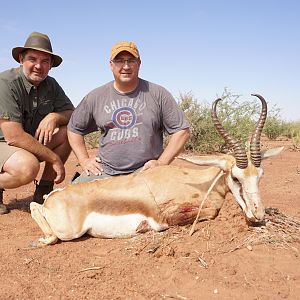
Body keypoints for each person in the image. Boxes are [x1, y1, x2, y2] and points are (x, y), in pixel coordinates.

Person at [67, 41, 190, 183]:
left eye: (131, 61)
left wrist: (161, 163)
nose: (126, 66)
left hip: (145, 172)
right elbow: (74, 129)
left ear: (139, 64)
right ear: (111, 65)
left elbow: (182, 131)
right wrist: (84, 160)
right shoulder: (95, 97)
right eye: (119, 61)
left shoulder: (158, 93)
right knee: (71, 197)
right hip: (105, 171)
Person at [0, 32, 74, 214]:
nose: (39, 66)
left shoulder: (51, 84)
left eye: (45, 61)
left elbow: (72, 113)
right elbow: (14, 136)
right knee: (27, 168)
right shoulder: (5, 83)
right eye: (32, 59)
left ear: (50, 65)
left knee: (68, 131)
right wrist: (54, 158)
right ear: (21, 59)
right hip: (5, 142)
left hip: (26, 142)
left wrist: (55, 117)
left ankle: (43, 192)